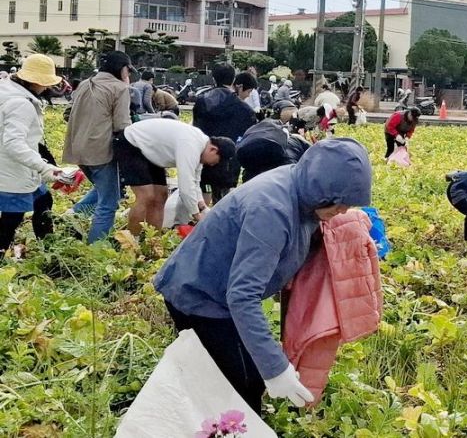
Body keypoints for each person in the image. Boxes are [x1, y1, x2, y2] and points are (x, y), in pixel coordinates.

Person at [153, 139, 372, 412]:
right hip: (198, 295)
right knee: (238, 386)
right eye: (340, 204)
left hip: (218, 290)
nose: (343, 212)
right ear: (320, 188)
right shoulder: (271, 210)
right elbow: (242, 296)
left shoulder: (302, 191)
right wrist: (276, 368)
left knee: (246, 378)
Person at [115, 118, 235, 234]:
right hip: (133, 143)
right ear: (213, 150)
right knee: (146, 196)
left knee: (161, 196)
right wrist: (197, 216)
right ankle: (131, 242)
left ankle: (152, 241)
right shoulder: (191, 146)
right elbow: (185, 186)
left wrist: (202, 206)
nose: (213, 164)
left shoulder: (201, 148)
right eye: (217, 161)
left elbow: (195, 182)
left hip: (153, 152)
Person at [0, 55, 70, 252]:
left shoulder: (6, 90)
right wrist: (44, 167)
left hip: (17, 167)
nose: (46, 88)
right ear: (36, 81)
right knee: (11, 219)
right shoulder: (21, 103)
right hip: (13, 169)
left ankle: (48, 247)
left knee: (43, 200)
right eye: (45, 83)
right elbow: (14, 144)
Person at [63, 50, 133, 243]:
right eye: (128, 70)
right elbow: (122, 125)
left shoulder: (86, 83)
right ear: (121, 69)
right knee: (108, 203)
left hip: (78, 149)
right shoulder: (119, 88)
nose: (129, 74)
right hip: (101, 151)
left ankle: (72, 216)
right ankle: (96, 250)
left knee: (109, 189)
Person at [193, 64, 256, 202]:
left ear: (213, 78)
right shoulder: (245, 110)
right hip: (229, 161)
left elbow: (195, 129)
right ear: (233, 80)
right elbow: (247, 137)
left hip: (204, 154)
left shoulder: (202, 101)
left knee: (202, 191)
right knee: (222, 199)